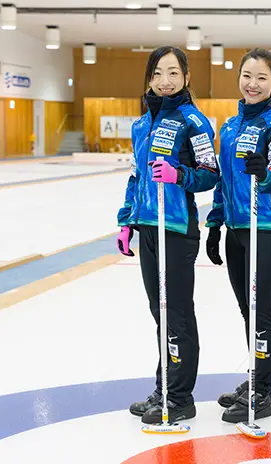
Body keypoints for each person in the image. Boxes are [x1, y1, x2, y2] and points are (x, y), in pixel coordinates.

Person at [116, 46, 220, 425]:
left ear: (187, 77)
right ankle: (163, 386)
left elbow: (210, 174)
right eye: (158, 73)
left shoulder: (195, 122)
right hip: (147, 225)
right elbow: (135, 176)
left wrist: (180, 175)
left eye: (173, 73)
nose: (165, 81)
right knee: (158, 312)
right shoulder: (141, 125)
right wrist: (127, 220)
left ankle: (179, 396)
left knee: (176, 313)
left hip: (176, 229)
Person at [204, 48, 271, 423]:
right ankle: (255, 376)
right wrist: (214, 223)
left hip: (266, 229)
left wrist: (267, 175)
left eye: (261, 77)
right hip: (236, 230)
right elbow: (223, 181)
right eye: (247, 76)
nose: (252, 84)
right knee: (247, 309)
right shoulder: (228, 127)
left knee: (262, 311)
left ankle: (264, 390)